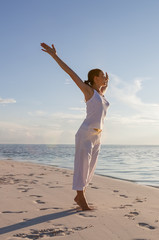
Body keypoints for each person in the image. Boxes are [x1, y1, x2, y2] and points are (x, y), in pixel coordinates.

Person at [41, 43, 110, 210]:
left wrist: (105, 86)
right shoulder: (88, 91)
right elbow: (71, 73)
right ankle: (81, 198)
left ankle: (80, 195)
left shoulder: (100, 94)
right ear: (95, 78)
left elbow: (101, 102)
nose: (104, 78)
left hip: (98, 136)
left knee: (90, 168)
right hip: (86, 133)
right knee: (82, 165)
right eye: (102, 76)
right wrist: (54, 56)